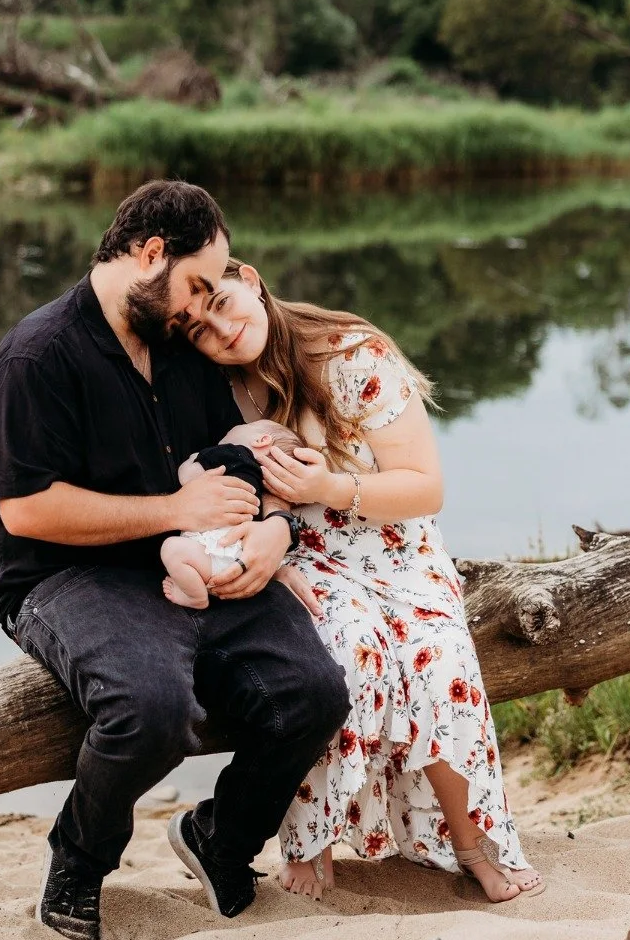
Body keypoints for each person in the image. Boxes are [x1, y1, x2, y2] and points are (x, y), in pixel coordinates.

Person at [0, 183, 349, 940]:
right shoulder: (35, 357)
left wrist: (273, 533)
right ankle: (78, 862)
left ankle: (220, 840)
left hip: (196, 560)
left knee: (313, 694)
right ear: (151, 254)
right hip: (61, 576)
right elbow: (28, 511)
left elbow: (240, 461)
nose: (202, 307)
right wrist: (176, 512)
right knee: (152, 708)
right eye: (198, 284)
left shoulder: (182, 350)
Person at [183, 259, 545, 904]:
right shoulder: (213, 390)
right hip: (302, 555)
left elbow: (426, 488)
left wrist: (327, 486)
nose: (222, 330)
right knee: (349, 655)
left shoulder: (351, 354)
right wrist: (269, 551)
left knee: (437, 660)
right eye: (199, 331)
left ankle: (473, 842)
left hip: (395, 544)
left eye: (222, 302)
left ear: (251, 279)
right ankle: (310, 840)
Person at [162, 419, 308, 609]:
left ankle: (195, 597)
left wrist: (193, 459)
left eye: (247, 425)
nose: (236, 426)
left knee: (171, 549)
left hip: (216, 552)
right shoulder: (260, 483)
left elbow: (186, 477)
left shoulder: (232, 452)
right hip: (248, 562)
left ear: (261, 440)